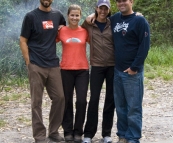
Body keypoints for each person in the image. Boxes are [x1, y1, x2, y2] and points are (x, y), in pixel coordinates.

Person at [19, 0, 66, 143]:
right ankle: (39, 135)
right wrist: (29, 63)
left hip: (53, 64)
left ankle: (53, 131)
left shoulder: (58, 15)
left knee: (60, 98)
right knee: (36, 102)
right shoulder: (31, 16)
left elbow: (65, 30)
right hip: (36, 64)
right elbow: (22, 40)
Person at [110, 0, 150, 143]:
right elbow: (100, 16)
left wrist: (135, 67)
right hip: (117, 70)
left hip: (132, 72)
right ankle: (122, 135)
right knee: (120, 107)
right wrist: (91, 16)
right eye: (118, 1)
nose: (121, 3)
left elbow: (144, 46)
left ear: (131, 1)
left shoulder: (140, 21)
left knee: (133, 107)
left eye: (124, 0)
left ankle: (133, 137)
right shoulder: (114, 18)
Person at [82, 0, 115, 143]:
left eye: (105, 9)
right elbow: (76, 26)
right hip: (96, 66)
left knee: (110, 99)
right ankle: (88, 134)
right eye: (100, 8)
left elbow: (129, 17)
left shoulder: (113, 23)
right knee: (94, 99)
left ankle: (106, 134)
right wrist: (87, 17)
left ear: (109, 10)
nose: (103, 11)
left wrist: (138, 14)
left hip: (113, 65)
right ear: (96, 9)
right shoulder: (89, 25)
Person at [56, 4, 89, 143]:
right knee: (67, 101)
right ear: (68, 16)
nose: (74, 18)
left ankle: (78, 131)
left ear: (80, 16)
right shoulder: (61, 30)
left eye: (77, 15)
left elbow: (98, 42)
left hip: (82, 70)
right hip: (65, 70)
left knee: (81, 101)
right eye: (72, 15)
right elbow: (48, 42)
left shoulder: (85, 31)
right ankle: (68, 131)